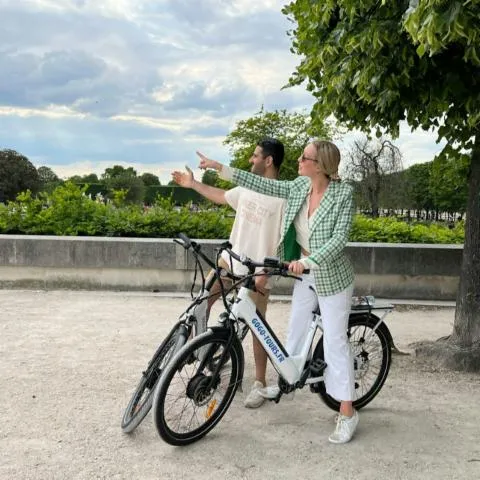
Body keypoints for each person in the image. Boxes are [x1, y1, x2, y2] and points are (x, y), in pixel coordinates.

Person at [198, 140, 359, 444]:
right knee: (294, 334)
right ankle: (289, 380)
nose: (298, 160)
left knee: (336, 342)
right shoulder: (299, 187)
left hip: (331, 276)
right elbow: (257, 181)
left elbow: (338, 241)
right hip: (304, 274)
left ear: (320, 165)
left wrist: (306, 261)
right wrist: (220, 167)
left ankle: (347, 413)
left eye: (304, 157)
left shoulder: (342, 194)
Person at [171, 138, 286, 409]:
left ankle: (259, 383)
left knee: (259, 327)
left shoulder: (283, 196)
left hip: (257, 272)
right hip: (229, 263)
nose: (251, 160)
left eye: (255, 156)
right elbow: (222, 197)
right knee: (201, 302)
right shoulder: (247, 187)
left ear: (268, 161)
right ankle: (198, 352)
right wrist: (193, 184)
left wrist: (267, 271)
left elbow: (286, 239)